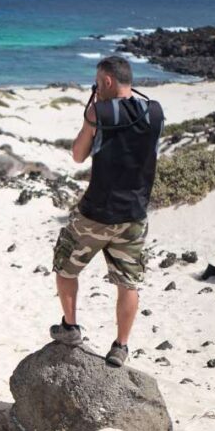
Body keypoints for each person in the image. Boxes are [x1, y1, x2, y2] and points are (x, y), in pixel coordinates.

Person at [49, 55, 164, 367]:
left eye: (97, 83)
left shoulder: (98, 112)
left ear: (108, 81)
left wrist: (90, 118)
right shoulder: (154, 112)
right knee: (128, 283)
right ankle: (120, 347)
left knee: (65, 266)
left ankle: (71, 327)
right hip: (135, 216)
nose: (96, 89)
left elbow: (77, 154)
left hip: (96, 214)